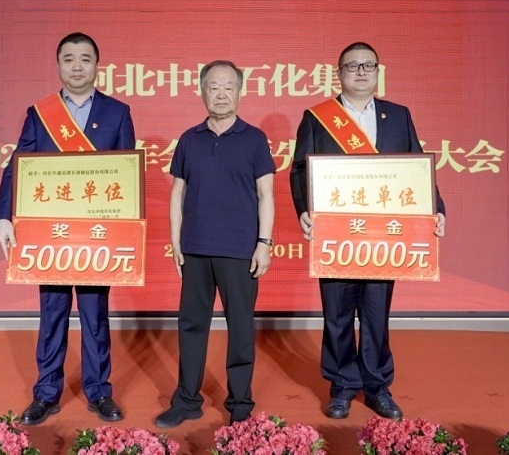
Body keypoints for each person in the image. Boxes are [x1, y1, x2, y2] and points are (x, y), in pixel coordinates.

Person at [289, 42, 446, 421]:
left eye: (368, 66)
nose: (361, 72)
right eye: (353, 65)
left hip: (383, 235)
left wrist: (435, 210)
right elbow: (299, 170)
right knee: (337, 316)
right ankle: (342, 387)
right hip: (336, 234)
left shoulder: (398, 116)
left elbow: (415, 167)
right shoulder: (318, 117)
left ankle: (377, 387)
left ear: (377, 72)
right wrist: (304, 210)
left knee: (376, 315)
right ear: (339, 73)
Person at [0, 32, 135, 425]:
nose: (77, 66)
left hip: (96, 234)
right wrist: (4, 216)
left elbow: (127, 175)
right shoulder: (41, 114)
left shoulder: (117, 112)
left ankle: (99, 392)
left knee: (95, 315)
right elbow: (18, 166)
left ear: (97, 65)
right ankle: (46, 394)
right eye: (69, 58)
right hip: (51, 232)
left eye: (85, 58)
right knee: (52, 313)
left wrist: (127, 231)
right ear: (58, 65)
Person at [154, 60, 275, 429]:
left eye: (228, 87)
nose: (221, 94)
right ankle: (187, 400)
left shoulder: (254, 139)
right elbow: (177, 193)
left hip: (240, 250)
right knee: (191, 325)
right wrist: (175, 240)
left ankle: (240, 402)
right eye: (213, 87)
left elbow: (266, 195)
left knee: (240, 327)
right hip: (195, 247)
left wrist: (264, 243)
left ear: (239, 91)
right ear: (202, 91)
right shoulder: (189, 139)